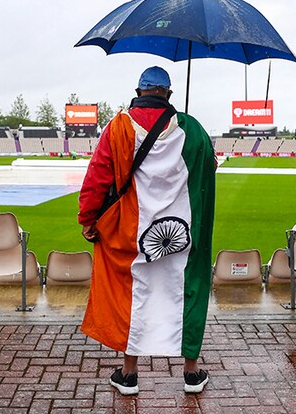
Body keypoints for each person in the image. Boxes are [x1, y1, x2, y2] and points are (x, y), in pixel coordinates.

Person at [78, 66, 217, 395]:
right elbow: (209, 168)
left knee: (132, 293)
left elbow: (98, 177)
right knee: (186, 291)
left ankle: (129, 374)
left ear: (139, 92)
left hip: (132, 232)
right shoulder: (192, 128)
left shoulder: (119, 126)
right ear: (168, 94)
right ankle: (191, 372)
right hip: (181, 233)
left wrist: (88, 219)